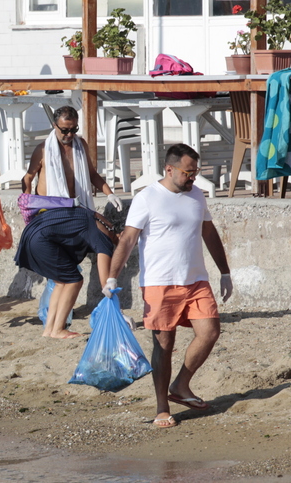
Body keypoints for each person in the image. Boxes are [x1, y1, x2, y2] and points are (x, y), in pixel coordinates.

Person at [104, 144, 233, 428]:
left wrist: (225, 271)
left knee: (210, 331)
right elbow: (127, 240)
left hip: (196, 279)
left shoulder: (197, 195)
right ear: (170, 169)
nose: (193, 179)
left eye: (195, 173)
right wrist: (112, 277)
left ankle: (181, 386)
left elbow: (208, 233)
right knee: (164, 344)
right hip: (160, 283)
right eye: (188, 173)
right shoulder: (147, 197)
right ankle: (162, 407)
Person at [14, 206, 118, 339]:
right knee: (74, 281)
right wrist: (117, 310)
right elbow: (106, 283)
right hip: (42, 239)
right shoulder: (104, 239)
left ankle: (49, 329)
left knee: (61, 282)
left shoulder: (94, 217)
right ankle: (58, 329)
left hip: (31, 232)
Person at [22, 106, 123, 212]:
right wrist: (27, 204)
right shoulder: (42, 150)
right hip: (49, 210)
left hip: (77, 207)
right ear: (55, 126)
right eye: (65, 130)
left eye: (74, 129)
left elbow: (92, 174)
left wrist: (110, 194)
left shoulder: (81, 145)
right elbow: (27, 178)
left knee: (107, 227)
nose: (70, 134)